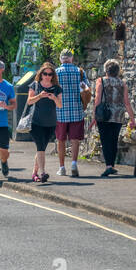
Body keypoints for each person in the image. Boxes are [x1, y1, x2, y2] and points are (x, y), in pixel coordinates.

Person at [92, 60, 136, 176]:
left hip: (104, 115)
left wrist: (94, 117)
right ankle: (111, 165)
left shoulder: (101, 81)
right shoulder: (123, 83)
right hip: (118, 115)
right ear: (117, 71)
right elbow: (127, 103)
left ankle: (108, 166)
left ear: (106, 70)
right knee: (113, 140)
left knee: (105, 140)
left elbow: (97, 100)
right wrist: (132, 119)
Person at [26, 62, 62, 184]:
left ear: (53, 75)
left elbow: (60, 105)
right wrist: (39, 96)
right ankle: (43, 172)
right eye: (45, 73)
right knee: (40, 148)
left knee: (41, 149)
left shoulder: (57, 88)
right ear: (41, 74)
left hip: (50, 123)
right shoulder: (35, 85)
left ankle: (34, 173)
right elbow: (29, 101)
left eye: (50, 74)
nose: (47, 76)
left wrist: (54, 98)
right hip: (36, 122)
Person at [56, 48, 88, 177]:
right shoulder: (79, 72)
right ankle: (74, 164)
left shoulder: (56, 72)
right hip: (77, 111)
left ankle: (62, 167)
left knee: (61, 140)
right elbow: (86, 89)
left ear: (61, 59)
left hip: (60, 111)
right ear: (71, 59)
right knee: (75, 140)